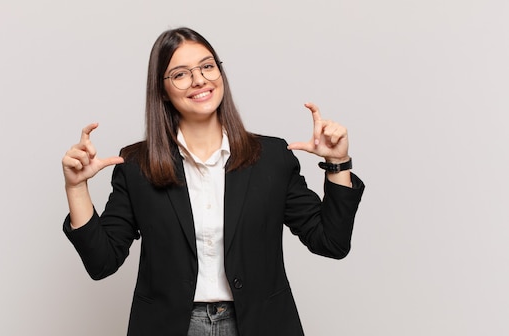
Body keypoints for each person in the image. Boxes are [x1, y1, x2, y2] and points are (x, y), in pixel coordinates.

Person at [61, 27, 365, 336]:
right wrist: (76, 188)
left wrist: (337, 164)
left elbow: (331, 242)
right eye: (180, 74)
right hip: (170, 327)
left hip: (260, 324)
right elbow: (102, 263)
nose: (199, 80)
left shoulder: (271, 158)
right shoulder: (137, 166)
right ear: (162, 90)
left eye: (207, 66)